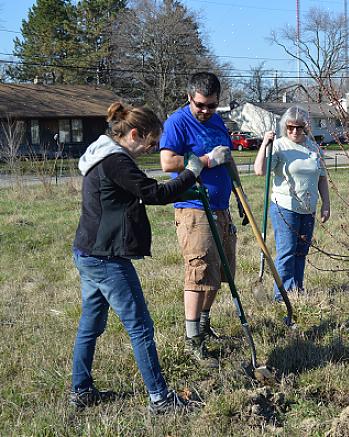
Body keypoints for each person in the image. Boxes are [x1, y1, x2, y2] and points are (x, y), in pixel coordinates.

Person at [70, 101, 204, 414]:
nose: (152, 148)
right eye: (151, 142)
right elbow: (153, 194)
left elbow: (133, 193)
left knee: (90, 326)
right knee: (140, 327)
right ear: (134, 134)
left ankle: (81, 391)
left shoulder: (101, 153)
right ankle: (160, 399)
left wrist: (183, 187)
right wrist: (193, 172)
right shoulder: (117, 161)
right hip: (106, 258)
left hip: (88, 252)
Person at [160, 72, 238, 369]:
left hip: (221, 207)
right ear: (189, 97)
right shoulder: (177, 122)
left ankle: (205, 327)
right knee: (200, 270)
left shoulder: (217, 122)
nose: (205, 111)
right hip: (193, 207)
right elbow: (167, 162)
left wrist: (238, 194)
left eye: (212, 106)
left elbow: (227, 158)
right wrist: (205, 160)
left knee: (222, 272)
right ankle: (192, 338)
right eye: (201, 105)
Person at [253, 106, 330, 301]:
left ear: (306, 127)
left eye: (299, 127)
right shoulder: (279, 145)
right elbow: (260, 171)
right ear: (284, 127)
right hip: (284, 207)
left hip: (308, 208)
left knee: (301, 252)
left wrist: (326, 204)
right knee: (287, 252)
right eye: (290, 127)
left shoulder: (314, 148)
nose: (295, 131)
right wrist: (264, 144)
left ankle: (297, 289)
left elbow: (322, 178)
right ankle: (283, 296)